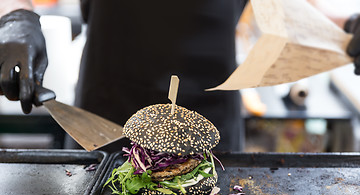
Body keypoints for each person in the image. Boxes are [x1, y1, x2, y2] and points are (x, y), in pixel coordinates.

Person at [0, 0, 359, 153]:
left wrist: (349, 28)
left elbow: (299, 8)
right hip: (104, 122)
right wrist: (16, 18)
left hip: (212, 132)